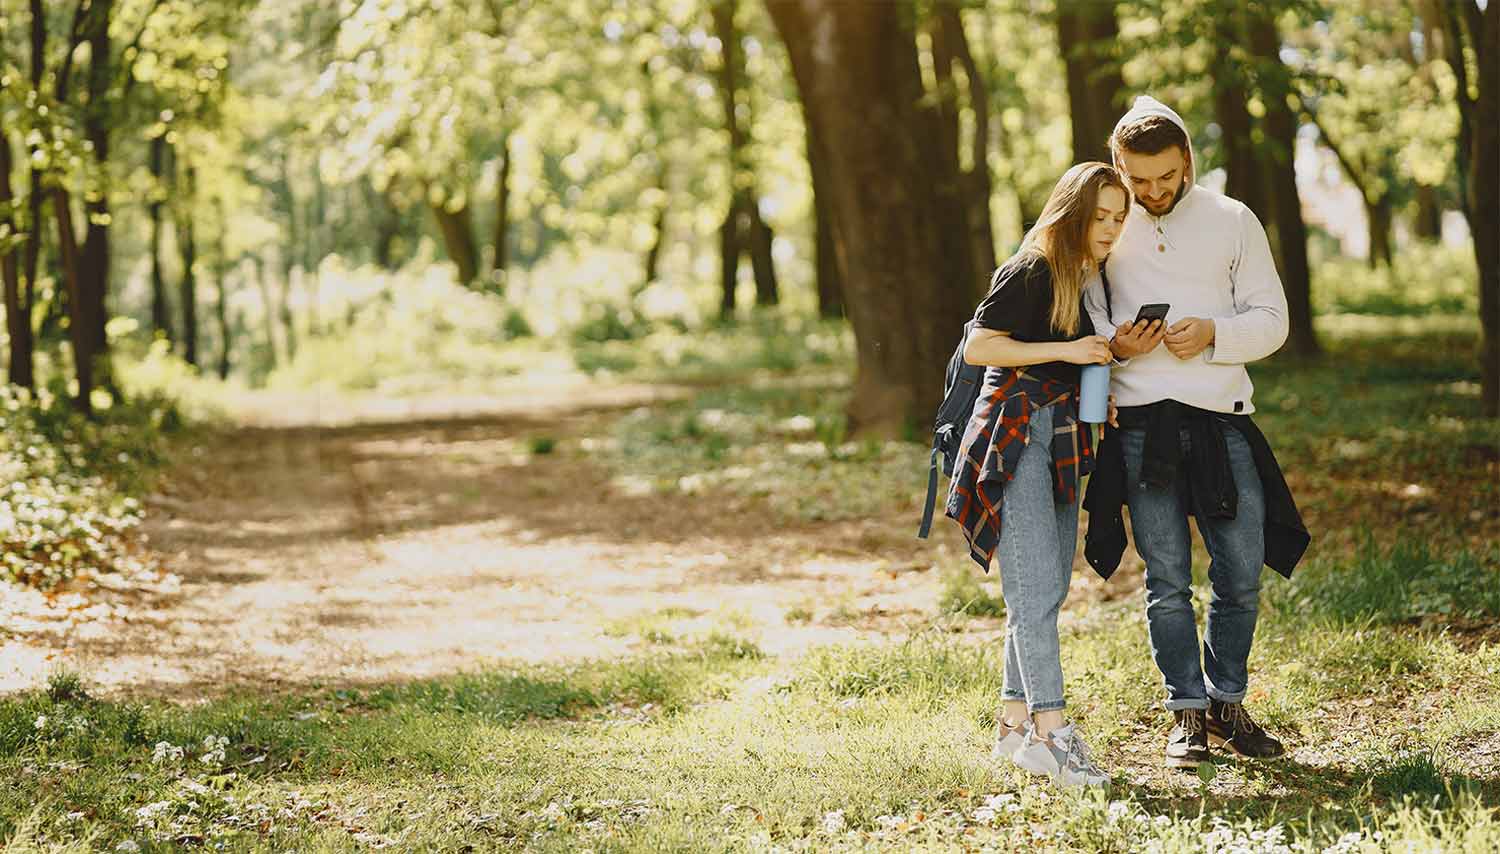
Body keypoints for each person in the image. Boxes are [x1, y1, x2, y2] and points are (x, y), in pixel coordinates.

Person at [1081, 96, 1311, 770]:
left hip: (1221, 418)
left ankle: (1227, 702)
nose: (1151, 193)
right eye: (1136, 179)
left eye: (1165, 177)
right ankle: (1185, 714)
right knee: (1167, 579)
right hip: (1140, 425)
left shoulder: (1232, 219)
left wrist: (1214, 334)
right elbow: (1081, 322)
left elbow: (1273, 320)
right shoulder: (1104, 220)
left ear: (1187, 161)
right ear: (1117, 165)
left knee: (1240, 573)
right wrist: (1116, 345)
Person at [945, 161, 1129, 788]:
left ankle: (1012, 725)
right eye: (1101, 216)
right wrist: (1068, 352)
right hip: (1013, 436)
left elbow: (1065, 358)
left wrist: (1097, 370)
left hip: (1059, 437)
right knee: (1033, 593)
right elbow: (980, 346)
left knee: (1044, 588)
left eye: (1119, 217)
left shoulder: (1082, 277)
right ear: (1073, 213)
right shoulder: (1032, 269)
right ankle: (1053, 735)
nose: (1111, 228)